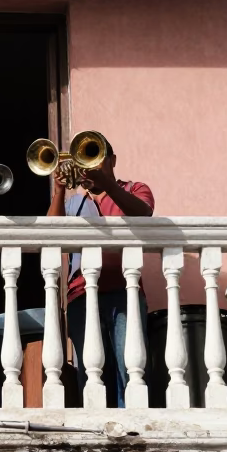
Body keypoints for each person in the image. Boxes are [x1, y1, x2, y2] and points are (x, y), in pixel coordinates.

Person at [47, 137, 153, 408]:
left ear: (113, 161)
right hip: (82, 295)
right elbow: (50, 233)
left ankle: (133, 428)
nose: (88, 165)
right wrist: (59, 190)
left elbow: (143, 214)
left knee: (131, 368)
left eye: (95, 156)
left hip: (124, 292)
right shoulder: (73, 204)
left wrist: (106, 185)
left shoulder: (134, 189)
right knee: (91, 371)